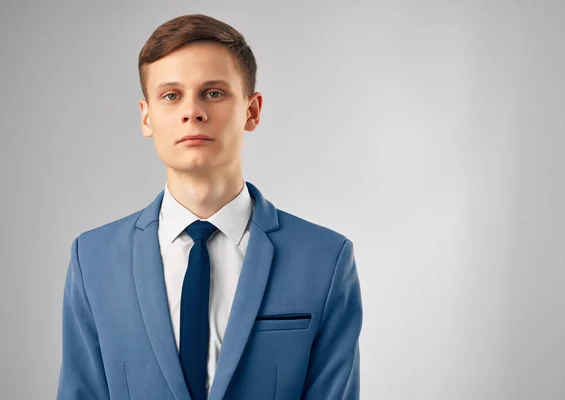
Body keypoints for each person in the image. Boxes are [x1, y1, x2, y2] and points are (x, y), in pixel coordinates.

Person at [57, 13, 362, 400]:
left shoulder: (325, 259)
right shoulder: (94, 259)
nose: (192, 112)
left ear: (252, 111)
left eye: (213, 92)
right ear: (146, 116)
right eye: (171, 95)